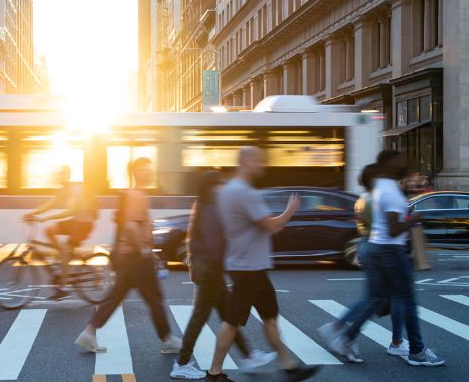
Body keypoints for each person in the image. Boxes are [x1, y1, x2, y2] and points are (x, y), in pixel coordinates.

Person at [320, 150, 445, 366]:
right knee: (406, 300)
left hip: (375, 247)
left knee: (375, 298)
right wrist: (413, 218)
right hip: (391, 250)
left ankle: (346, 336)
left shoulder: (380, 188)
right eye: (400, 161)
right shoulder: (391, 192)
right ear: (389, 165)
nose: (404, 164)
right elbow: (394, 229)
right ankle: (416, 352)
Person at [206, 146, 320, 382]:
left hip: (250, 266)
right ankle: (214, 372)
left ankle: (289, 367)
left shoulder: (228, 190)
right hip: (247, 268)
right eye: (259, 160)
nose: (263, 165)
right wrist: (290, 210)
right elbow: (273, 226)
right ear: (246, 162)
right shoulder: (244, 192)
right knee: (232, 322)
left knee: (269, 317)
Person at [170, 171, 277, 380]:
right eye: (218, 184)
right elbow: (214, 244)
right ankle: (181, 363)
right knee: (200, 317)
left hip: (209, 270)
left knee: (229, 315)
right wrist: (232, 266)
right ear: (210, 186)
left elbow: (193, 239)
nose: (221, 187)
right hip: (210, 271)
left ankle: (249, 355)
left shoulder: (203, 204)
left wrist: (194, 264)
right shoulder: (210, 208)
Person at [75, 157, 182, 354]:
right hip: (136, 258)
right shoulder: (137, 196)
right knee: (155, 298)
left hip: (128, 257)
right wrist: (144, 250)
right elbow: (132, 226)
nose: (149, 173)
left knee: (115, 297)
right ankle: (167, 339)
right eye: (145, 170)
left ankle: (88, 333)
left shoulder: (132, 194)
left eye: (150, 169)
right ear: (136, 173)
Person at [318, 164, 407, 361]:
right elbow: (388, 228)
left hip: (368, 246)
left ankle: (339, 328)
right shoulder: (377, 199)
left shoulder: (363, 198)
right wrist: (408, 220)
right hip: (382, 249)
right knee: (386, 297)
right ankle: (393, 342)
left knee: (373, 297)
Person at [23, 165, 97, 299]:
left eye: (62, 174)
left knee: (65, 250)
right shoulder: (63, 189)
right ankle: (63, 255)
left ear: (68, 175)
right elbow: (50, 204)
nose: (59, 177)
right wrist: (33, 213)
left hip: (84, 224)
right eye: (58, 174)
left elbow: (71, 211)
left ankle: (63, 287)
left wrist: (47, 218)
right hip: (76, 221)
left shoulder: (76, 189)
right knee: (49, 230)